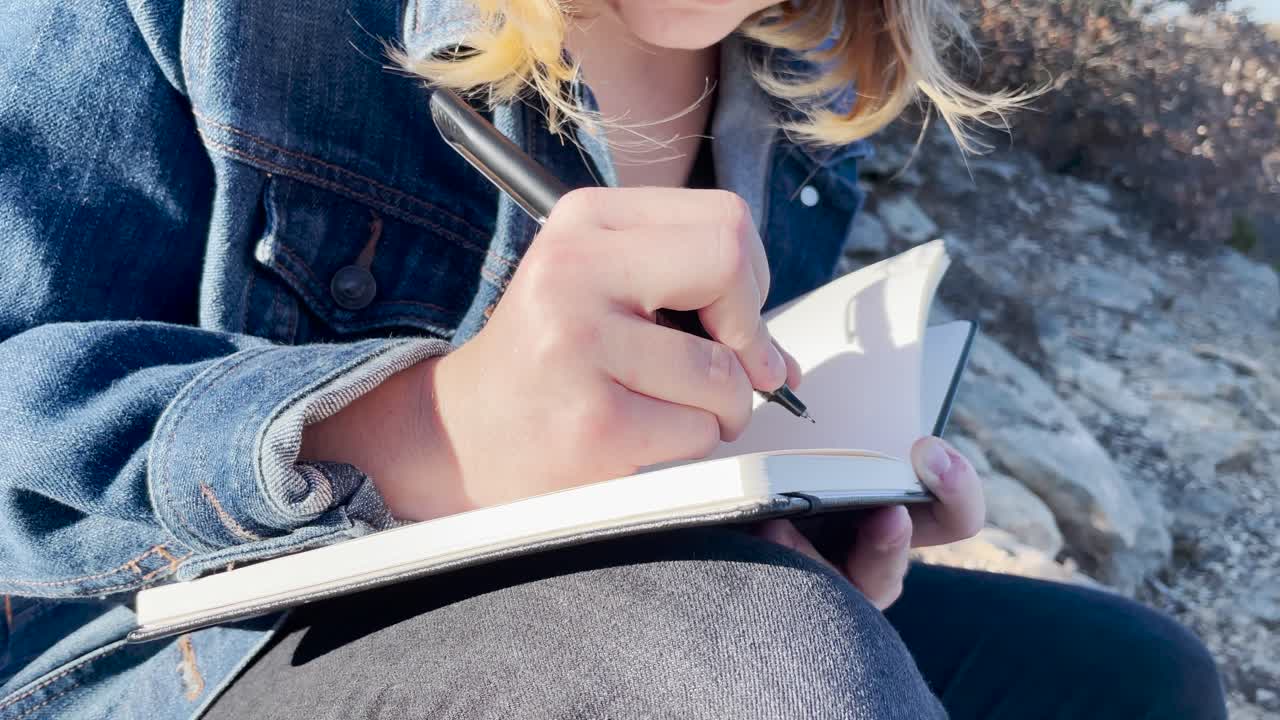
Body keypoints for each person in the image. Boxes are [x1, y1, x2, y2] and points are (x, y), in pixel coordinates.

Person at [0, 0, 1227, 717]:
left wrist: (796, 511)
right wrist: (418, 432)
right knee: (760, 665)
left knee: (1126, 676)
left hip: (615, 600)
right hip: (187, 659)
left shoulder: (797, 110)